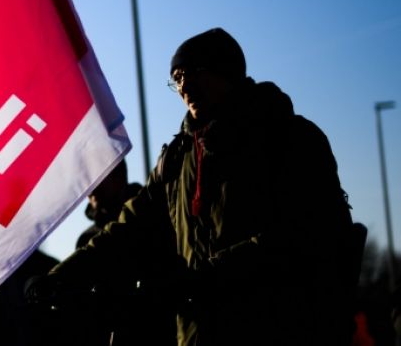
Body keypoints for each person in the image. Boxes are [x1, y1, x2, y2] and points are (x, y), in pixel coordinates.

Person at [31, 28, 357, 345]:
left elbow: (305, 235)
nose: (184, 86)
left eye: (194, 73)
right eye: (177, 78)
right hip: (197, 332)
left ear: (227, 71)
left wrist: (199, 281)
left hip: (278, 328)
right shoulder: (177, 159)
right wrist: (62, 275)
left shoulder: (288, 137)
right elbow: (129, 228)